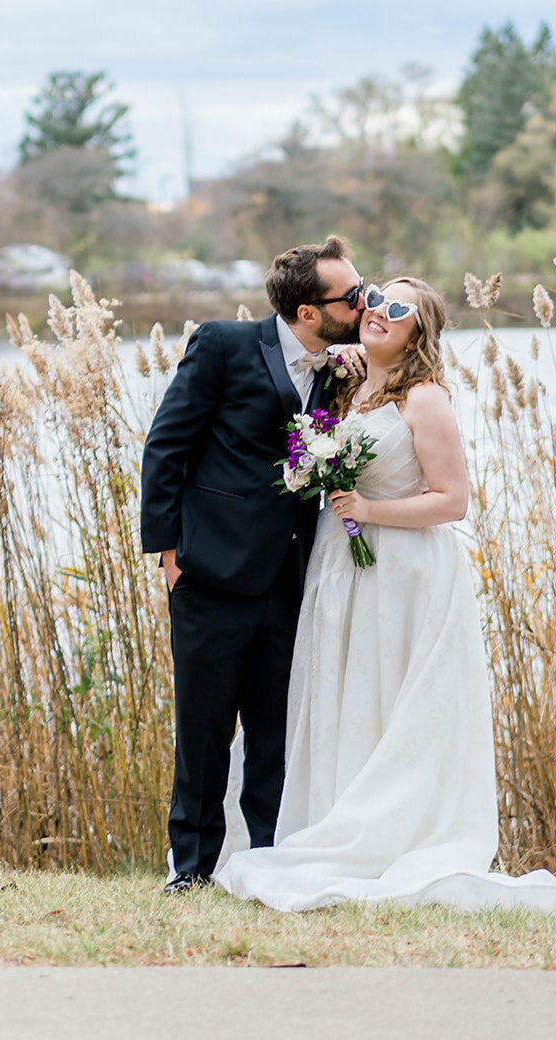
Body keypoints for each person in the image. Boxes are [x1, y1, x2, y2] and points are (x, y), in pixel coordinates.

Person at [217, 277, 556, 911]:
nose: (380, 311)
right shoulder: (349, 384)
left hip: (401, 572)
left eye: (399, 309)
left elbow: (453, 501)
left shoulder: (424, 398)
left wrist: (370, 509)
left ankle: (385, 835)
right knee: (345, 695)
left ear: (420, 330)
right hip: (343, 567)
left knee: (395, 701)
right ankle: (327, 816)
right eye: (376, 298)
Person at [141, 235, 365, 892]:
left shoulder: (334, 368)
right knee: (204, 731)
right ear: (307, 312)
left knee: (275, 733)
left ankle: (269, 862)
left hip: (292, 580)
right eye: (350, 296)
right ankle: (192, 870)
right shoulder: (223, 345)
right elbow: (166, 445)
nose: (362, 302)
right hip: (211, 572)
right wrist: (168, 553)